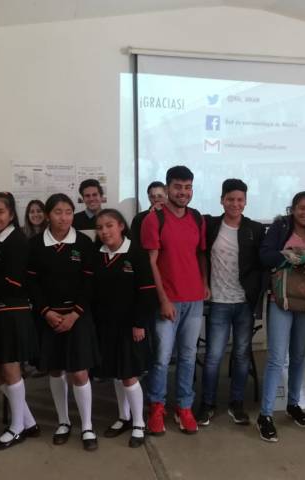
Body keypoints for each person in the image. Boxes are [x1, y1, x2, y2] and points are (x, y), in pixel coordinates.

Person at [256, 191, 305, 442]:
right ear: (293, 208)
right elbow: (264, 256)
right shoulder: (280, 227)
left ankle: (293, 404)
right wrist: (289, 256)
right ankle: (265, 415)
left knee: (298, 356)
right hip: (281, 300)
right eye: (302, 208)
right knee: (277, 358)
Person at [28, 193, 100, 451]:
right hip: (48, 317)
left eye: (68, 212)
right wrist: (46, 312)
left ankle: (87, 425)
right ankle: (63, 421)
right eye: (58, 212)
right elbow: (32, 283)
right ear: (48, 215)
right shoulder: (35, 244)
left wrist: (75, 314)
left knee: (79, 371)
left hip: (77, 317)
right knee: (56, 370)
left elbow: (90, 283)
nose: (64, 217)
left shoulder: (83, 242)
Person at [141, 165, 208, 435]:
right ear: (168, 188)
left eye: (188, 187)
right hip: (167, 301)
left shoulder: (197, 218)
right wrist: (163, 300)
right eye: (178, 187)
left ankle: (184, 406)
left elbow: (201, 254)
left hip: (194, 300)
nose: (183, 192)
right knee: (161, 358)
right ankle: (156, 407)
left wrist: (204, 284)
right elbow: (151, 262)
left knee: (189, 357)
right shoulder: (154, 219)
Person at [197, 179, 265, 429]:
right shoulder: (211, 225)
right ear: (222, 200)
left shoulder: (255, 229)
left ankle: (237, 403)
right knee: (214, 356)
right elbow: (201, 254)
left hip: (244, 303)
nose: (235, 204)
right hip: (218, 302)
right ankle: (208, 404)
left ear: (245, 202)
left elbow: (262, 263)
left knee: (241, 354)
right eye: (230, 199)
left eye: (240, 200)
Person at [91, 209, 157, 448]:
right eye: (100, 227)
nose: (104, 231)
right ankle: (124, 416)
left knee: (129, 375)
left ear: (121, 226)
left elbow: (147, 292)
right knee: (116, 374)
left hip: (130, 326)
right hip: (106, 326)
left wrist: (139, 323)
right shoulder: (97, 254)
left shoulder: (136, 253)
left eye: (109, 225)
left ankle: (139, 423)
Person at [0, 192, 40, 450]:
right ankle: (28, 420)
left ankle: (17, 428)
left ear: (11, 214)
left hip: (12, 312)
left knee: (10, 368)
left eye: (0, 212)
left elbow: (13, 283)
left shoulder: (16, 240)